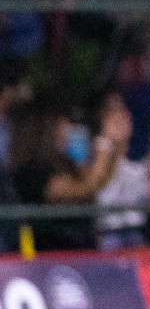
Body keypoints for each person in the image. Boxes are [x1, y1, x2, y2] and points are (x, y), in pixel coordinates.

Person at [10, 99, 127, 252]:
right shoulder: (30, 173)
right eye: (62, 125)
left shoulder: (67, 162)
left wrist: (116, 144)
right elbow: (85, 189)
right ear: (45, 131)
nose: (68, 130)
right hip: (51, 255)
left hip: (83, 251)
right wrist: (104, 143)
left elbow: (99, 183)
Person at [94, 92, 150, 250]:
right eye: (112, 110)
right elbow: (96, 185)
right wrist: (110, 144)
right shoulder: (95, 152)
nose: (120, 116)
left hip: (136, 234)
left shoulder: (140, 161)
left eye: (122, 110)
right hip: (107, 235)